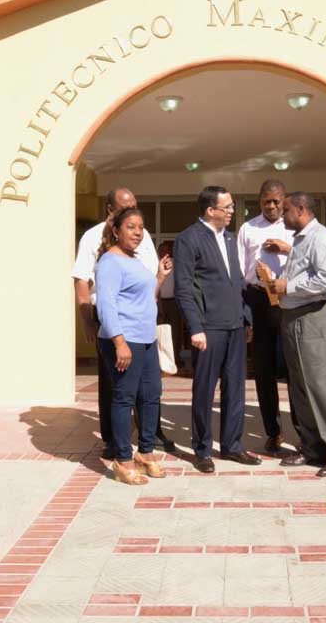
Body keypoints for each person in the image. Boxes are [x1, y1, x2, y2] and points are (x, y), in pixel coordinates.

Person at [72, 188, 176, 456]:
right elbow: (84, 282)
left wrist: (161, 284)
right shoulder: (96, 242)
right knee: (117, 390)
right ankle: (116, 446)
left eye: (139, 221)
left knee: (149, 391)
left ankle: (148, 440)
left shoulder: (140, 241)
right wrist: (88, 322)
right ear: (111, 214)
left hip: (143, 323)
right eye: (127, 218)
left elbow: (148, 277)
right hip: (115, 322)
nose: (137, 229)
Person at [173, 186, 261, 473]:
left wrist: (246, 318)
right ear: (211, 210)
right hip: (208, 328)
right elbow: (183, 288)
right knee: (204, 390)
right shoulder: (188, 239)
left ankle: (232, 446)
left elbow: (237, 281)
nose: (233, 211)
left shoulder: (231, 238)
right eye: (228, 206)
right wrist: (195, 327)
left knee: (235, 388)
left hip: (235, 326)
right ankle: (202, 449)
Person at [274, 192, 326, 477]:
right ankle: (313, 448)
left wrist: (288, 286)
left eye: (286, 210)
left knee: (320, 386)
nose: (282, 215)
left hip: (314, 317)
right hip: (294, 317)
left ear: (300, 210)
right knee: (299, 386)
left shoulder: (321, 237)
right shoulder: (300, 239)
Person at [94, 207, 173, 485]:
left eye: (140, 227)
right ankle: (124, 460)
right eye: (131, 227)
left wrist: (160, 278)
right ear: (115, 230)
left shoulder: (134, 260)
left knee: (151, 395)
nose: (137, 232)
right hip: (124, 340)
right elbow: (106, 304)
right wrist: (119, 342)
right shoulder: (110, 262)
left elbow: (143, 298)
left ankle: (146, 453)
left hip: (146, 338)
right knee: (124, 398)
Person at [237, 179, 294, 455]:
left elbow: (309, 260)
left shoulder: (294, 226)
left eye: (276, 201)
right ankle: (273, 431)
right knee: (263, 371)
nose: (271, 206)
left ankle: (304, 431)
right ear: (259, 201)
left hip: (287, 301)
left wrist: (286, 249)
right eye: (266, 201)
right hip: (258, 300)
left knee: (294, 369)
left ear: (284, 200)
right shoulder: (248, 228)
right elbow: (239, 270)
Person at [157, 240, 189, 376]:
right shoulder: (155, 264)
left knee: (175, 333)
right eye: (161, 250)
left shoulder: (177, 263)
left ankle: (175, 358)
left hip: (174, 302)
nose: (163, 252)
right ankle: (160, 360)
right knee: (159, 331)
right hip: (159, 302)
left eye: (165, 250)